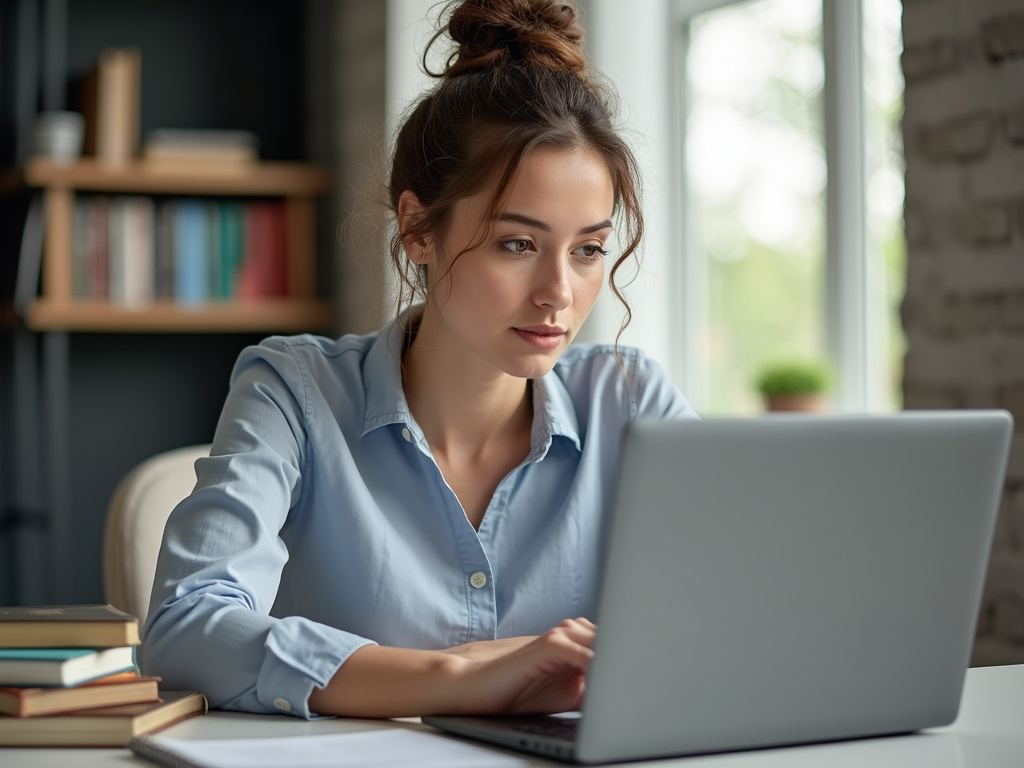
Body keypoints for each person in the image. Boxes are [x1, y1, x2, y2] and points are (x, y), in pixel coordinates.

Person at [140, 0, 697, 720]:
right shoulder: (293, 389)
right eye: (517, 244)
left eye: (588, 249)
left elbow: (735, 612)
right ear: (417, 228)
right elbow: (186, 628)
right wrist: (456, 677)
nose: (559, 292)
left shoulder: (632, 402)